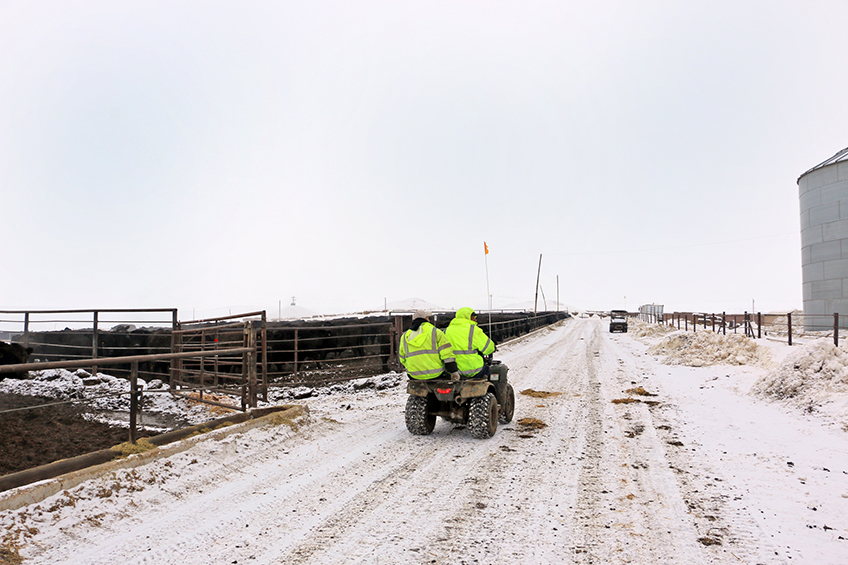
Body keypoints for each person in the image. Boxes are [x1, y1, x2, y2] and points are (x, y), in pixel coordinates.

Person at [445, 307, 508, 396]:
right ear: (467, 317)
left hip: (452, 370)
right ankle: (493, 395)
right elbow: (488, 348)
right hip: (472, 370)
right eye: (473, 316)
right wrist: (492, 347)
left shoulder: (447, 330)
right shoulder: (474, 330)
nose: (475, 319)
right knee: (489, 370)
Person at [399, 310, 460, 381]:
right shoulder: (435, 332)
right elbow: (447, 354)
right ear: (426, 318)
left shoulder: (405, 336)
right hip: (436, 374)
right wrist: (453, 371)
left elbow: (402, 358)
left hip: (414, 375)